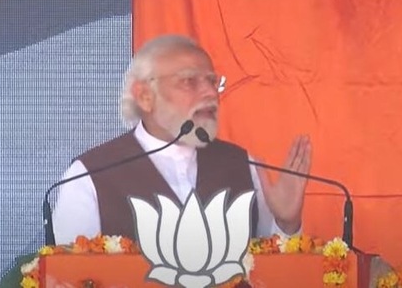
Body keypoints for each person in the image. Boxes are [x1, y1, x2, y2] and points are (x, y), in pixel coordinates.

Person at [52, 34, 311, 245]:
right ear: (144, 96)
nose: (210, 93)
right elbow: (67, 277)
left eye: (213, 81)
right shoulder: (89, 176)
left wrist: (287, 224)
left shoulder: (244, 165)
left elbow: (274, 273)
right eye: (189, 82)